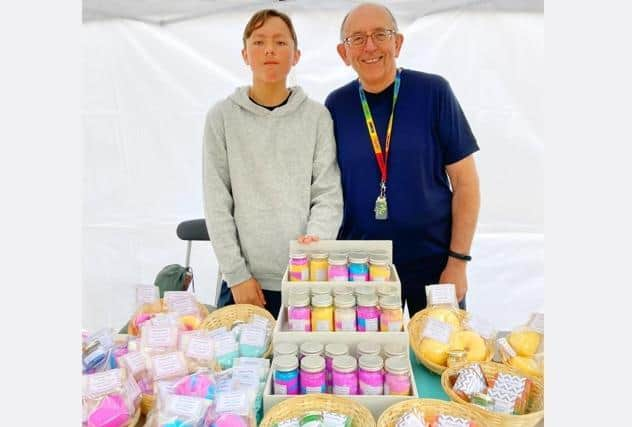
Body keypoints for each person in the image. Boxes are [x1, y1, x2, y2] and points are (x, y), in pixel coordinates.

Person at [325, 2, 480, 316]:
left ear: (398, 42)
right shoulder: (335, 106)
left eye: (380, 34)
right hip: (363, 270)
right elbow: (325, 189)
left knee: (441, 355)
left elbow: (466, 183)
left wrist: (458, 262)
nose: (370, 46)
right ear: (344, 53)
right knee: (370, 363)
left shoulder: (434, 92)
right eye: (357, 38)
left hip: (435, 262)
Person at [203, 9, 343, 318]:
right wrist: (237, 274)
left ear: (296, 55)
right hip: (245, 283)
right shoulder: (222, 118)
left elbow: (328, 193)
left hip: (305, 279)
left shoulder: (317, 117)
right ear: (245, 54)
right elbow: (216, 202)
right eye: (259, 41)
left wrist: (313, 247)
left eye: (280, 42)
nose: (269, 50)